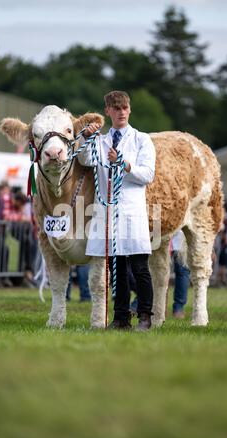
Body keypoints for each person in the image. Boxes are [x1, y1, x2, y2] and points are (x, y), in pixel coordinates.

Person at [79, 90, 156, 330]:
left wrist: (123, 164)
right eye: (116, 107)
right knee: (117, 269)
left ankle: (144, 316)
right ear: (108, 111)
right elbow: (84, 160)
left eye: (124, 107)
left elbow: (147, 175)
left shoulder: (141, 139)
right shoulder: (101, 142)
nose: (121, 112)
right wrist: (85, 137)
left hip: (132, 211)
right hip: (108, 212)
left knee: (140, 266)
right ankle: (121, 318)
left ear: (129, 110)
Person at [171, 230, 190, 319]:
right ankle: (178, 308)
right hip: (179, 240)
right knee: (183, 273)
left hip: (179, 240)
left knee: (183, 273)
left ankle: (178, 308)